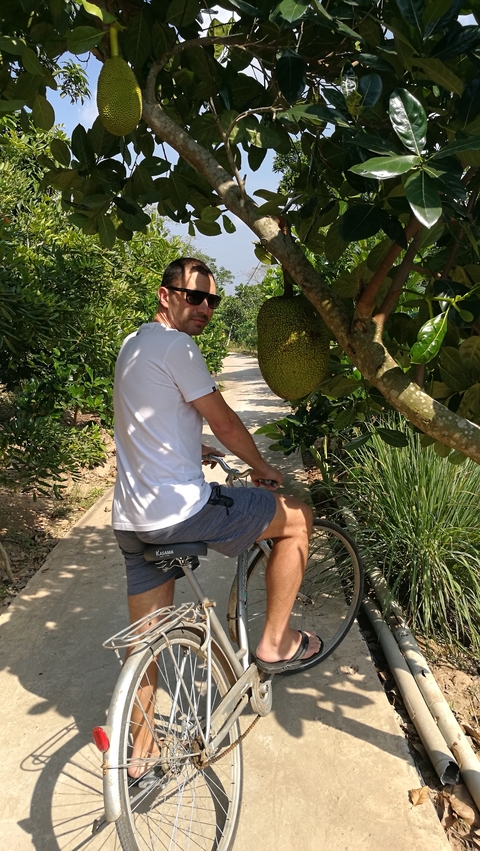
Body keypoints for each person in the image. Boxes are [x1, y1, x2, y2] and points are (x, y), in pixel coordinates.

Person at [112, 257, 321, 774]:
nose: (204, 307)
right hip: (180, 513)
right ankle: (274, 644)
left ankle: (139, 752)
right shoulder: (177, 346)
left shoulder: (133, 345)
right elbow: (228, 424)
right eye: (193, 296)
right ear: (166, 295)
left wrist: (189, 447)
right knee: (296, 518)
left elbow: (147, 422)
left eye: (212, 300)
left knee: (148, 637)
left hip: (132, 520)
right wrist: (263, 467)